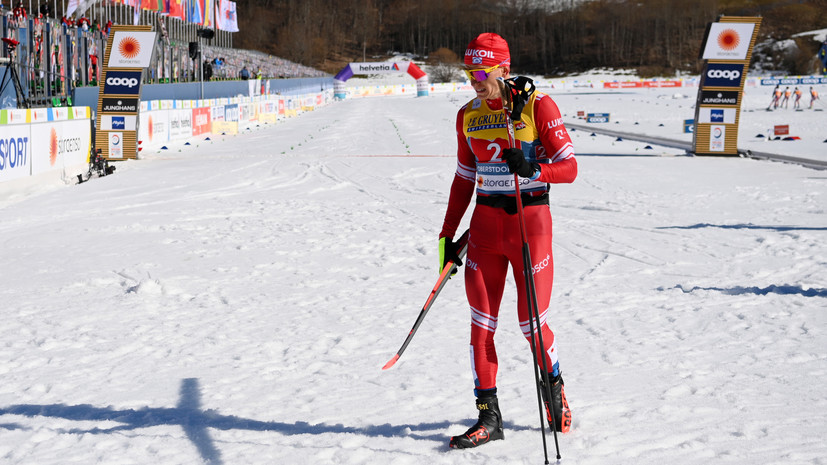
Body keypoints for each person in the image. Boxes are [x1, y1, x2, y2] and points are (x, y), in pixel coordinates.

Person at [439, 32, 577, 449]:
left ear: (504, 68)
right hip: (484, 229)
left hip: (529, 226)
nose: (474, 80)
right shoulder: (468, 115)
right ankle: (488, 417)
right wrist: (447, 235)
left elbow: (569, 167)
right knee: (481, 327)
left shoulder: (537, 105)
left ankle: (553, 390)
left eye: (481, 71)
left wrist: (533, 167)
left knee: (530, 326)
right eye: (469, 72)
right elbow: (464, 178)